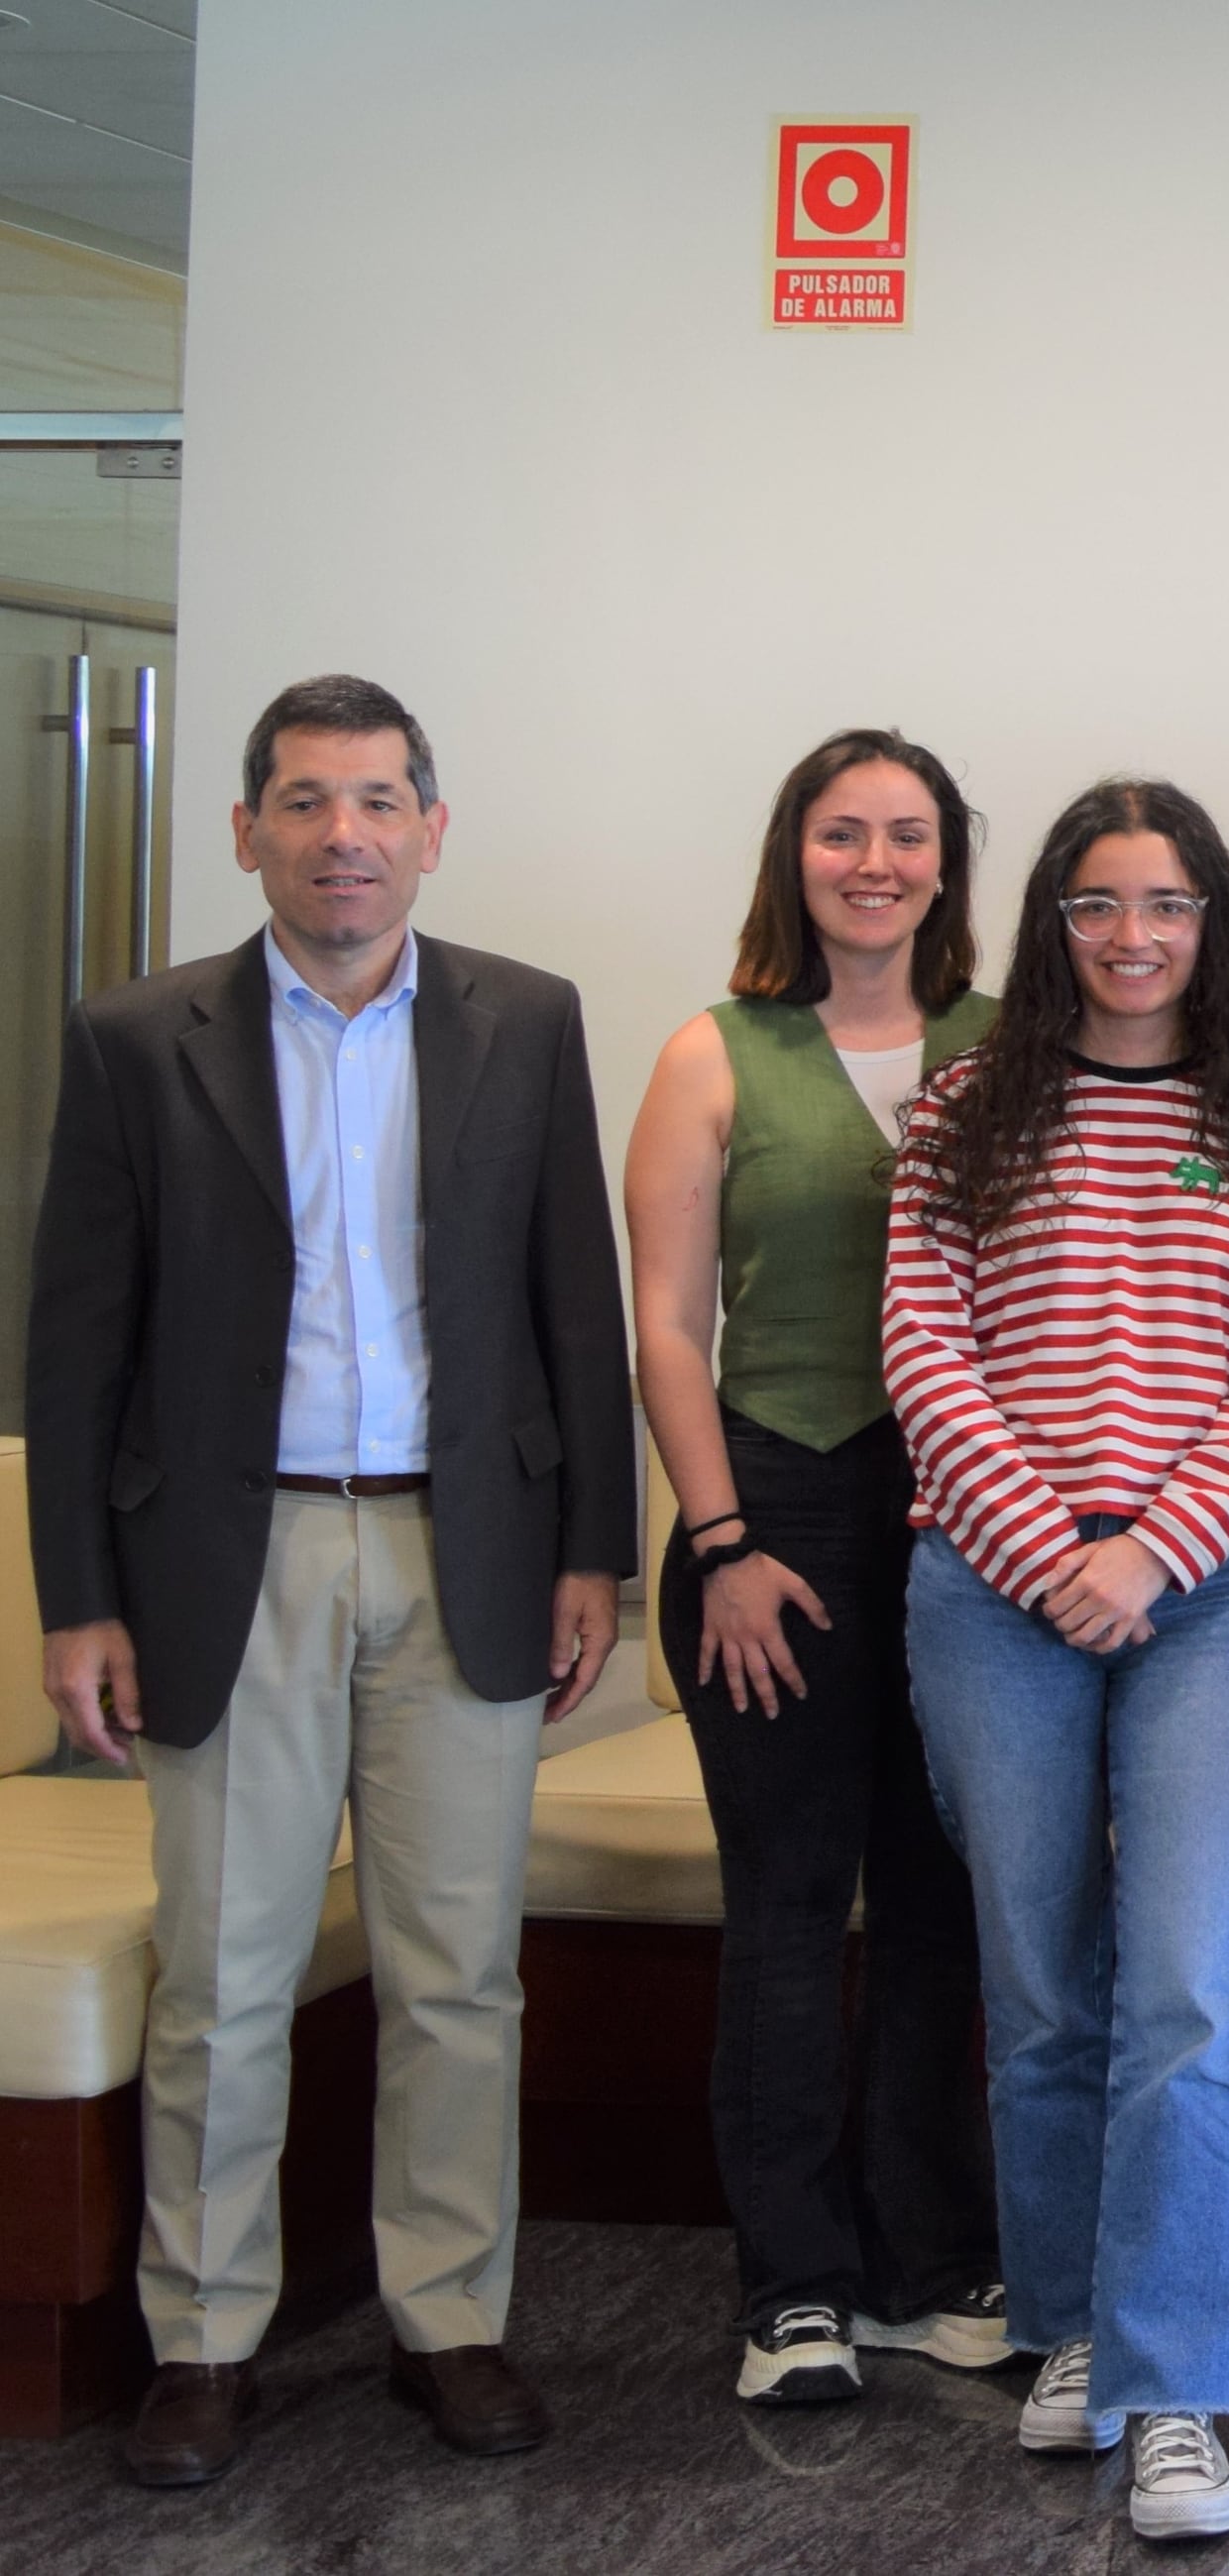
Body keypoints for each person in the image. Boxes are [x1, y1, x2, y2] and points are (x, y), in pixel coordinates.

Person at [29, 675, 635, 2488]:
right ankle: (202, 2334)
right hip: (233, 1549)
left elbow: (569, 1304)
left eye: (379, 800)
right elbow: (76, 1342)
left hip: (469, 1545)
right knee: (223, 1970)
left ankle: (446, 2316)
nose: (344, 834)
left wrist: (594, 1543)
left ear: (431, 828)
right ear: (246, 830)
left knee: (459, 1967)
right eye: (305, 800)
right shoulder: (140, 1034)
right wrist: (78, 1594)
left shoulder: (525, 1018)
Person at [885, 778, 1229, 2542]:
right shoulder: (956, 1118)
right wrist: (1049, 1550)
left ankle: (1171, 2388)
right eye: (1096, 903)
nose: (1131, 935)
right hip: (994, 1590)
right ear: (1053, 921)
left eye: (1164, 904)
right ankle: (1069, 2326)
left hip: (1211, 1592)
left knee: (1193, 1991)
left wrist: (1151, 1548)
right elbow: (926, 1352)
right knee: (1045, 1992)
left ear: (1210, 923)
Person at [616, 727, 1006, 2407]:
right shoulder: (713, 1050)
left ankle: (930, 2261)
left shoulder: (1012, 1044)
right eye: (842, 832)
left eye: (907, 834)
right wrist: (722, 1545)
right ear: (796, 853)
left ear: (946, 861)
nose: (875, 861)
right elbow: (666, 1321)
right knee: (786, 1906)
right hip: (768, 1509)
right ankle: (794, 2287)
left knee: (939, 1903)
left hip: (963, 1515)